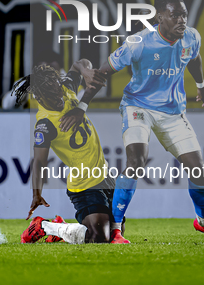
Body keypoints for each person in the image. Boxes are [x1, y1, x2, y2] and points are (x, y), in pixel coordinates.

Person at [62, 0, 204, 244]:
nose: (181, 20)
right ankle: (117, 229)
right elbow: (103, 72)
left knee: (199, 171)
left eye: (184, 14)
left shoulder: (192, 37)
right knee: (136, 160)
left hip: (173, 112)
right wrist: (81, 106)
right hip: (137, 107)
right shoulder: (138, 42)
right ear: (159, 17)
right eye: (175, 15)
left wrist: (201, 84)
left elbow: (194, 57)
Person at [13, 59, 129, 244]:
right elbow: (39, 162)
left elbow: (81, 63)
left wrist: (85, 73)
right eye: (53, 95)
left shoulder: (65, 88)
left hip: (104, 174)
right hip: (84, 184)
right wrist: (36, 194)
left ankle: (62, 227)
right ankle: (46, 226)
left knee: (117, 230)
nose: (59, 96)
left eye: (58, 89)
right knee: (100, 237)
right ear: (39, 98)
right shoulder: (45, 124)